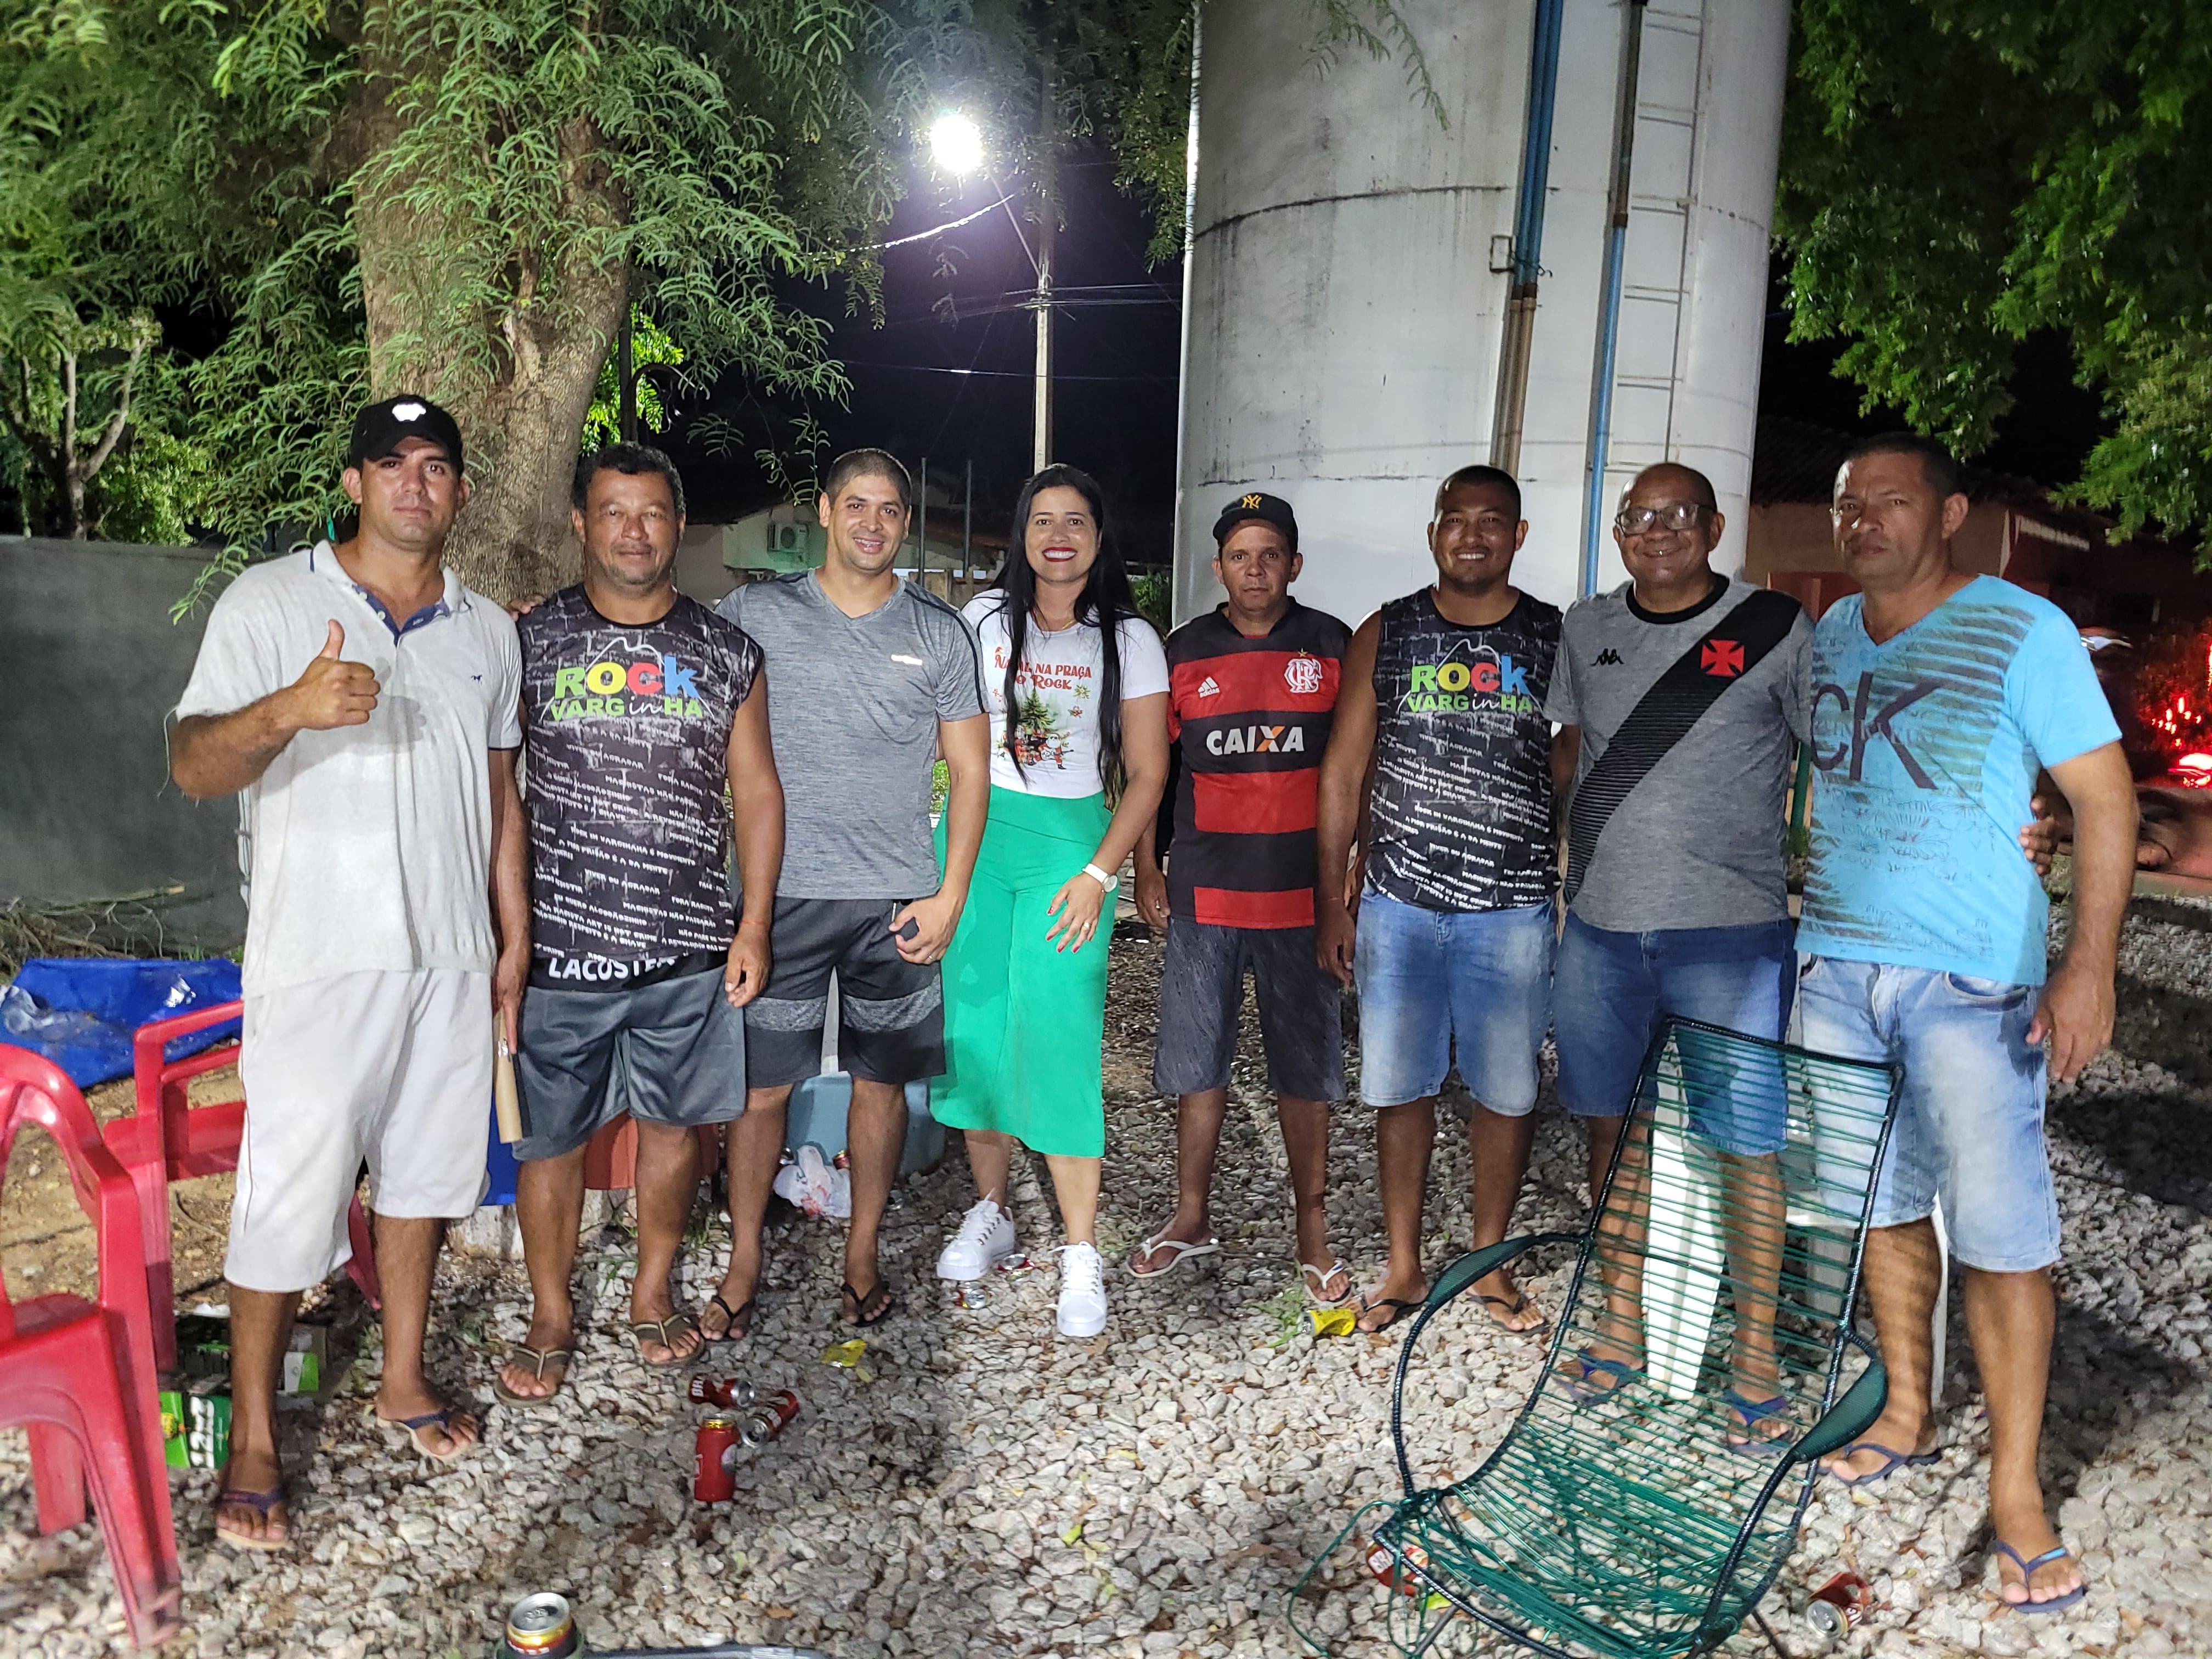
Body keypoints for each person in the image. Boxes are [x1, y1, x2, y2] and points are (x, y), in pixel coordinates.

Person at [170, 396, 525, 1549]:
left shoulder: (488, 631)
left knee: (424, 1178)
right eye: (392, 464)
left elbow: (501, 796)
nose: (415, 484)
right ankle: (256, 1440)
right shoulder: (271, 602)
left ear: (460, 490)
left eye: (436, 466)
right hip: (319, 959)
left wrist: (510, 935)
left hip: (450, 957)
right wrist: (289, 709)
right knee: (285, 1198)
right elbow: (190, 762)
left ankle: (403, 1377)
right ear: (353, 484)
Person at [1797, 433, 2135, 1613]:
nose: (1864, 520)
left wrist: (2088, 967)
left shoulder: (2023, 630)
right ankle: (1907, 1407)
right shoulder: (1831, 634)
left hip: (1972, 984)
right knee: (1883, 1204)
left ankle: (2019, 1493)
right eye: (1849, 504)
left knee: (2003, 1236)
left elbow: (2104, 798)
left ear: (1948, 516)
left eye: (1892, 502)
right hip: (1835, 971)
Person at [494, 444, 783, 1405]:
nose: (634, 531)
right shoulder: (528, 644)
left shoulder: (726, 653)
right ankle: (551, 1313)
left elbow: (758, 792)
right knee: (549, 1142)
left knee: (672, 1130)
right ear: (582, 524)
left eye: (653, 512)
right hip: (560, 951)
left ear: (677, 524)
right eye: (614, 512)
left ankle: (653, 1290)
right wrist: (508, 933)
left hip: (689, 949)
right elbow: (497, 793)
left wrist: (753, 924)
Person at [1544, 463, 1812, 1435]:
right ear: (1619, 533)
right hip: (1602, 933)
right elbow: (1571, 748)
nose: (1657, 531)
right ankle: (1620, 1327)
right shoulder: (1586, 627)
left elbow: (1830, 756)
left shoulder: (1776, 627)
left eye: (1678, 515)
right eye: (1639, 517)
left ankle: (1755, 1356)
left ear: (1714, 526)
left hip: (1730, 937)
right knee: (1610, 1132)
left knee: (1746, 1144)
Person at [710, 449, 990, 1335]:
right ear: (825, 513)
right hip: (779, 899)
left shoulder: (941, 632)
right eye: (857, 505)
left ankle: (861, 1254)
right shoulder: (755, 614)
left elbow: (971, 772)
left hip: (896, 904)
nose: (874, 523)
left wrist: (950, 895)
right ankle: (744, 1260)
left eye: (891, 509)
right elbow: (674, 666)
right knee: (762, 1091)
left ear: (905, 523)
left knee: (882, 1088)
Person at [1314, 465, 1562, 1334]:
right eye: (1456, 519)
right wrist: (1333, 896)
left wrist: (1529, 811)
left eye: (1492, 521)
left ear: (1518, 536)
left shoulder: (1550, 635)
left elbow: (1576, 748)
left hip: (1512, 907)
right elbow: (1343, 770)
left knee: (1508, 1092)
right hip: (1400, 906)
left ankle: (1489, 1262)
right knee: (1401, 1088)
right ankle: (1405, 1265)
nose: (1472, 535)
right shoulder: (1388, 631)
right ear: (1433, 533)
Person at [932, 464, 1171, 1338]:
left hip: (1071, 852)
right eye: (1042, 520)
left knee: (1061, 1037)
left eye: (1075, 520)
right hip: (974, 840)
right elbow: (941, 735)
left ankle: (1079, 1249)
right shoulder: (981, 621)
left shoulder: (1130, 639)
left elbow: (1149, 773)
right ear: (1021, 535)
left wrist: (1102, 874)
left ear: (1099, 538)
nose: (1058, 536)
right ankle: (992, 1210)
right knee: (976, 1033)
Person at [1128, 492, 1353, 1305]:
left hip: (1302, 901)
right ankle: (1190, 1215)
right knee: (1199, 1064)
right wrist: (1147, 870)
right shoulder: (1181, 651)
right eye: (1239, 556)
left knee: (1307, 1070)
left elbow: (1355, 771)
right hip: (1207, 896)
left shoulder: (1333, 645)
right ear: (1218, 567)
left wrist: (1346, 882)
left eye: (1270, 555)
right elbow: (1151, 774)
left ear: (1294, 565)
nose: (1255, 570)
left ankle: (1312, 1234)